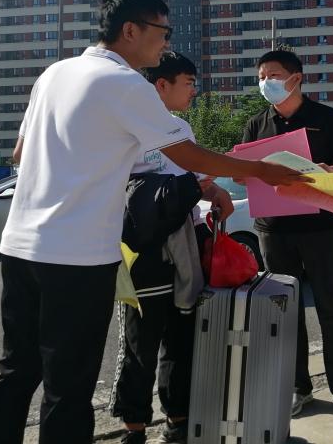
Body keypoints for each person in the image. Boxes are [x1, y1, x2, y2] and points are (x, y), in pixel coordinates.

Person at [0, 0, 306, 444]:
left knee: (16, 370)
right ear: (130, 30)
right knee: (68, 385)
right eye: (162, 32)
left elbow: (19, 153)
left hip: (20, 247)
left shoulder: (54, 73)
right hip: (78, 256)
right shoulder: (124, 82)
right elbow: (188, 156)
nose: (166, 42)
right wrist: (262, 170)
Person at [110, 51, 233, 444]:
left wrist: (214, 190)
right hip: (141, 251)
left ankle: (177, 419)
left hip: (185, 246)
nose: (194, 91)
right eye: (189, 83)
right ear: (161, 85)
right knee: (139, 342)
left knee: (182, 337)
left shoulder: (182, 129)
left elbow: (192, 180)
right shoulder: (126, 129)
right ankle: (133, 427)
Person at [241, 49, 333, 418]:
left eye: (273, 75)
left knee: (331, 307)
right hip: (273, 230)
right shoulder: (256, 124)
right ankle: (297, 387)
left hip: (319, 226)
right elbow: (243, 172)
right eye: (261, 77)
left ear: (296, 78)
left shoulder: (327, 118)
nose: (266, 83)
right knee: (285, 312)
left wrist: (326, 171)